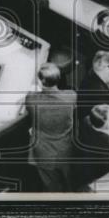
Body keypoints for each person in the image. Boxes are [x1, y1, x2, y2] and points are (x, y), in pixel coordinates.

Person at [24, 63, 77, 192]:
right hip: (65, 149)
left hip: (44, 152)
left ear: (42, 81)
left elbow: (30, 99)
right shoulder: (71, 95)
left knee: (51, 185)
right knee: (69, 180)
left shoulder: (31, 100)